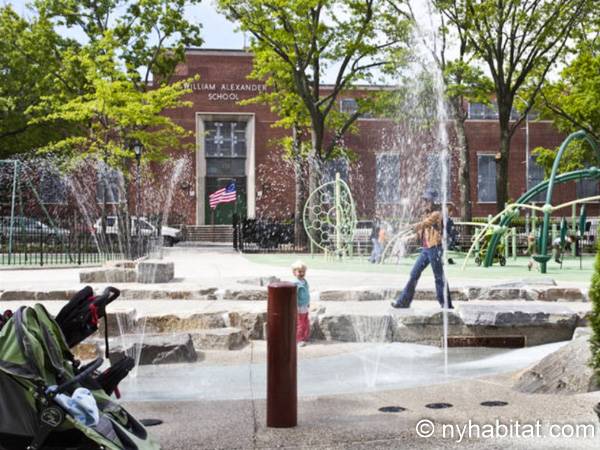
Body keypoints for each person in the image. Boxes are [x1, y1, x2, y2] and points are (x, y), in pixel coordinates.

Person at [391, 190, 453, 309]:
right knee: (414, 274)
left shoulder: (437, 213)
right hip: (426, 249)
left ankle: (446, 304)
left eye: (427, 200)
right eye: (424, 200)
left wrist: (410, 226)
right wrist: (409, 238)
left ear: (433, 201)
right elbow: (422, 232)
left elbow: (426, 223)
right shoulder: (426, 213)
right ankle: (404, 302)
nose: (425, 202)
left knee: (439, 277)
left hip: (435, 248)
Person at [292, 260, 311, 346]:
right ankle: (299, 339)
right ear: (294, 272)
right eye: (299, 271)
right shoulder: (295, 283)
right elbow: (294, 296)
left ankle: (305, 336)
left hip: (305, 305)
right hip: (299, 306)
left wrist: (308, 302)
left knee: (305, 321)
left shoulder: (304, 281)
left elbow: (306, 292)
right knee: (300, 322)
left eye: (303, 271)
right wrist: (295, 306)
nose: (302, 273)